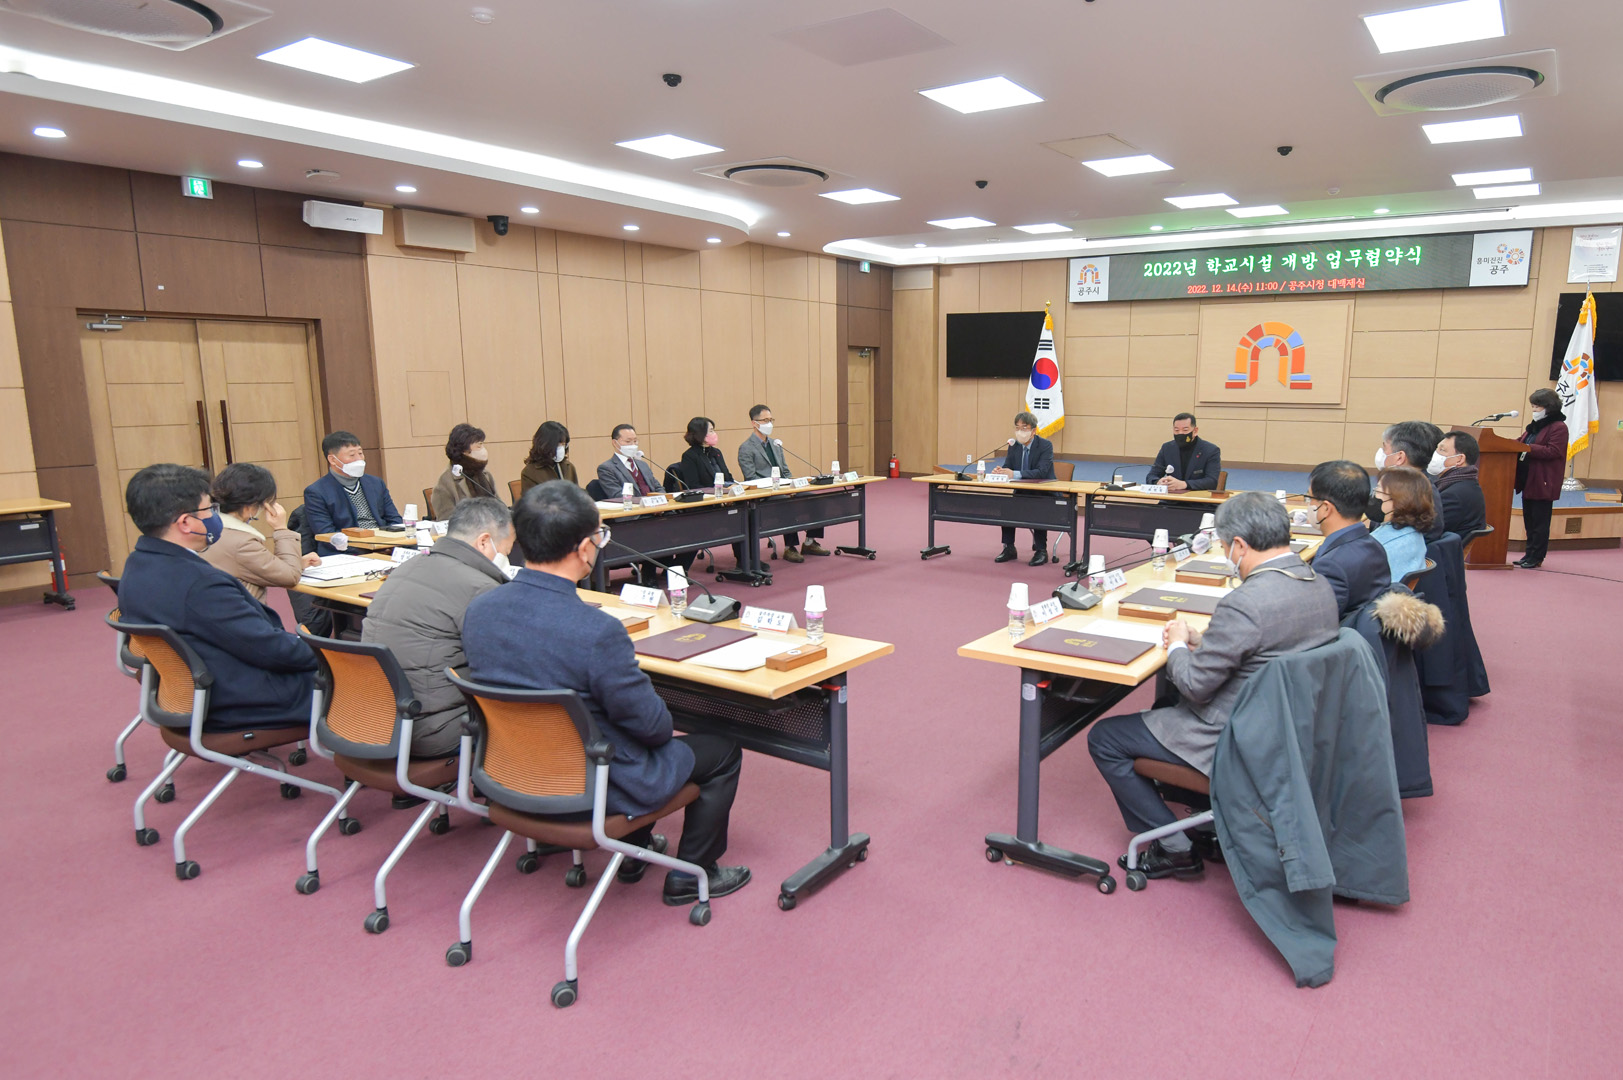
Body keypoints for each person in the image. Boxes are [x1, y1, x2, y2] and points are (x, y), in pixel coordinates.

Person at [461, 482, 750, 904]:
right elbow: (654, 729)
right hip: (590, 784)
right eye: (600, 536)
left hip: (512, 773)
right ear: (584, 549)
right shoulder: (596, 631)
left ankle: (635, 852)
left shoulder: (479, 610)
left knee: (618, 732)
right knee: (720, 751)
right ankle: (694, 874)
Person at [1086, 491, 1339, 879]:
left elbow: (1194, 685)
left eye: (1224, 547)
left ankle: (1175, 847)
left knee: (1106, 737)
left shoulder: (1246, 601)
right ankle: (1210, 818)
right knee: (1161, 709)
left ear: (1239, 545)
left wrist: (1176, 646)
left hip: (1237, 736)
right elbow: (1267, 646)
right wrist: (1204, 640)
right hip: (1293, 727)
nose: (1226, 556)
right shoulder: (1318, 583)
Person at [117, 463, 317, 732]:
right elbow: (270, 650)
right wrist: (328, 654)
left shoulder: (137, 563)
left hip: (190, 692)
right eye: (209, 510)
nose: (215, 515)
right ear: (185, 523)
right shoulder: (200, 584)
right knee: (359, 684)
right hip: (238, 701)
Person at [362, 497, 514, 758]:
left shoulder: (406, 567)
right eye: (506, 551)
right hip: (433, 730)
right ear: (484, 542)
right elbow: (504, 670)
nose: (505, 560)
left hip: (377, 721)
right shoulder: (481, 588)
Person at [202, 462, 320, 602]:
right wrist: (281, 528)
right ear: (250, 506)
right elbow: (290, 577)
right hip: (243, 612)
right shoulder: (242, 543)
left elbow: (249, 566)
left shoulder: (208, 530)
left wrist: (297, 563)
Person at [737, 404, 826, 563]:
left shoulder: (775, 444)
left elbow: (785, 470)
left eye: (771, 420)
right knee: (786, 503)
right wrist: (778, 490)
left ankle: (810, 542)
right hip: (765, 494)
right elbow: (751, 478)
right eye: (765, 420)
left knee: (815, 499)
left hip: (784, 487)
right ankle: (789, 547)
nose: (769, 424)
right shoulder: (746, 448)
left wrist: (793, 485)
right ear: (754, 423)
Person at [303, 430, 402, 555]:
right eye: (352, 455)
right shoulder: (316, 492)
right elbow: (327, 534)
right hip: (348, 551)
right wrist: (368, 548)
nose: (359, 459)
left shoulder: (376, 483)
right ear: (333, 460)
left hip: (385, 545)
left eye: (360, 453)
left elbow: (395, 519)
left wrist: (392, 544)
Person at [676, 416, 747, 570]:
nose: (714, 434)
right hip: (706, 505)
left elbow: (727, 477)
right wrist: (719, 496)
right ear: (699, 433)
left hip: (725, 500)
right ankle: (679, 567)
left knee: (744, 516)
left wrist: (733, 489)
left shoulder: (716, 453)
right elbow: (693, 486)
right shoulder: (690, 456)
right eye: (711, 431)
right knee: (735, 518)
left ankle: (746, 561)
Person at [991, 410, 1057, 566]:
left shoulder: (1045, 446)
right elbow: (1008, 466)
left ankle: (1041, 551)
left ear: (1033, 430)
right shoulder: (1014, 446)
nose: (1020, 431)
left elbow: (1041, 472)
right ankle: (1009, 548)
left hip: (1044, 493)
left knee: (1037, 508)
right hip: (1022, 492)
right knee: (1006, 507)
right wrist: (1001, 471)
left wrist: (1014, 473)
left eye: (1024, 428)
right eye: (1017, 427)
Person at [1515, 387, 1569, 569]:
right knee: (1529, 521)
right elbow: (1520, 442)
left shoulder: (1559, 427)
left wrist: (1527, 448)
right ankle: (1529, 554)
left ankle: (1537, 556)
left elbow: (1554, 451)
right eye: (1532, 406)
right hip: (1528, 479)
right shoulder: (1535, 427)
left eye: (1537, 407)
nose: (1534, 410)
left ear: (1549, 407)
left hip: (1543, 481)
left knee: (1540, 522)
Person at [1370, 466, 1436, 583]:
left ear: (1400, 501)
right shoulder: (1411, 533)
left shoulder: (1383, 546)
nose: (1373, 496)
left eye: (1378, 491)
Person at [431, 423, 499, 518]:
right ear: (464, 450)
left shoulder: (486, 475)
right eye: (479, 446)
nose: (483, 450)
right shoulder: (445, 483)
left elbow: (500, 509)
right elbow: (448, 521)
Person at [1146, 412, 1222, 491]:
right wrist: (1158, 482)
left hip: (1197, 497)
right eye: (1176, 430)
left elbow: (1211, 481)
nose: (1180, 433)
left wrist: (1184, 484)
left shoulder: (1210, 450)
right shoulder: (1167, 448)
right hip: (1172, 497)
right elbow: (1152, 475)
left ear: (1195, 431)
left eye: (1185, 430)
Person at [1432, 431, 1487, 539]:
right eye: (1436, 449)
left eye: (1442, 450)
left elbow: (1428, 530)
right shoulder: (1463, 483)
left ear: (1460, 459)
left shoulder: (1455, 495)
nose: (1435, 454)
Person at [596, 423, 664, 499]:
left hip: (655, 505)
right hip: (632, 506)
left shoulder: (643, 465)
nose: (633, 445)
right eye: (628, 441)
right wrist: (644, 502)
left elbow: (658, 488)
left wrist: (662, 498)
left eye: (635, 441)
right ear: (615, 443)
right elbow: (617, 495)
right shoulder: (606, 468)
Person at [520, 420, 577, 492]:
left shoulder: (569, 467)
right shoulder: (529, 473)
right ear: (545, 445)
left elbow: (577, 494)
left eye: (563, 444)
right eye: (557, 445)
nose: (561, 448)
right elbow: (531, 498)